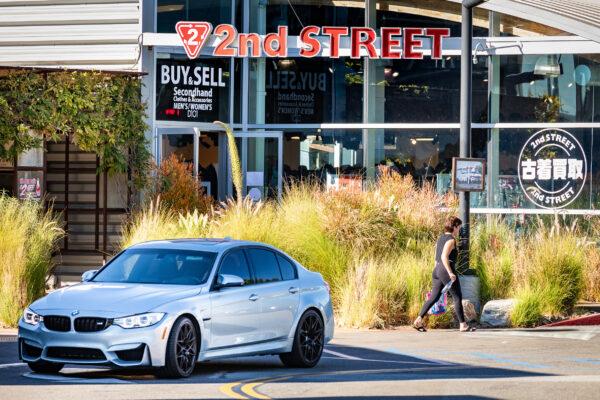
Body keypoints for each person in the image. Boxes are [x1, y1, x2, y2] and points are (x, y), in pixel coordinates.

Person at [413, 216, 475, 332]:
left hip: (437, 269)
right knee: (457, 297)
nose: (459, 230)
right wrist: (450, 272)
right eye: (459, 227)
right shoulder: (451, 240)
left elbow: (437, 258)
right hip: (446, 269)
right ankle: (463, 325)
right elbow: (444, 256)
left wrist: (437, 271)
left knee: (434, 297)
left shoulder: (440, 238)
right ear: (455, 226)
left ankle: (418, 319)